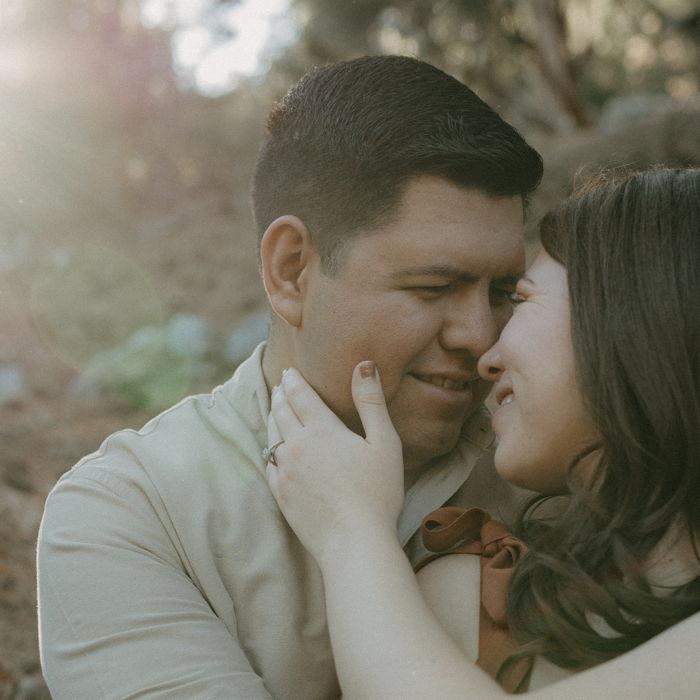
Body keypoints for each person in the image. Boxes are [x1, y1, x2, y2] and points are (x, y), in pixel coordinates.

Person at [37, 55, 544, 698]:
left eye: (502, 293)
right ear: (290, 270)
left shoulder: (554, 460)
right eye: (432, 287)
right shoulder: (132, 514)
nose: (479, 335)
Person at [265, 167, 700, 697]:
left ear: (637, 324)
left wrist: (351, 531)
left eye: (520, 299)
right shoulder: (469, 599)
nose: (486, 354)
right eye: (432, 289)